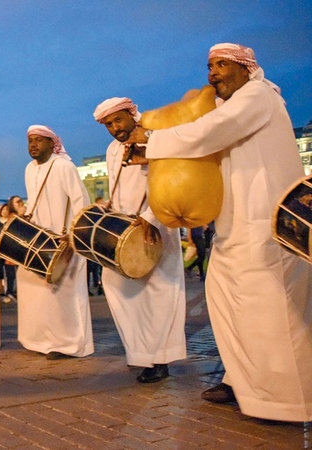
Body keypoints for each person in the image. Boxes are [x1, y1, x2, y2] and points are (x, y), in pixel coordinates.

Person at [131, 43, 312, 421]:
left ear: (247, 68)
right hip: (232, 226)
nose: (213, 72)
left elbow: (209, 131)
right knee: (226, 303)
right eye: (210, 66)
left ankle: (288, 400)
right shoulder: (230, 104)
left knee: (269, 310)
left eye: (222, 64)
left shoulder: (259, 96)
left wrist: (152, 141)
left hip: (265, 225)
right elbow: (196, 122)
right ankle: (241, 382)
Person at [94, 98, 187, 382]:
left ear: (132, 114)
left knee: (158, 295)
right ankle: (140, 353)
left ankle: (160, 359)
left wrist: (151, 217)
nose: (114, 128)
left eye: (118, 120)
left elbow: (169, 179)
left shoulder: (154, 137)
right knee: (116, 287)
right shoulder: (112, 149)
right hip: (125, 231)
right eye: (109, 124)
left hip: (155, 226)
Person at [17, 125, 93, 359]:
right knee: (37, 291)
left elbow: (82, 201)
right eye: (30, 141)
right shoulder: (29, 169)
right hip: (38, 240)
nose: (33, 145)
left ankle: (67, 344)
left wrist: (74, 235)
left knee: (63, 293)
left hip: (64, 240)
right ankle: (40, 340)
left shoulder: (64, 166)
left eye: (39, 140)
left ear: (52, 143)